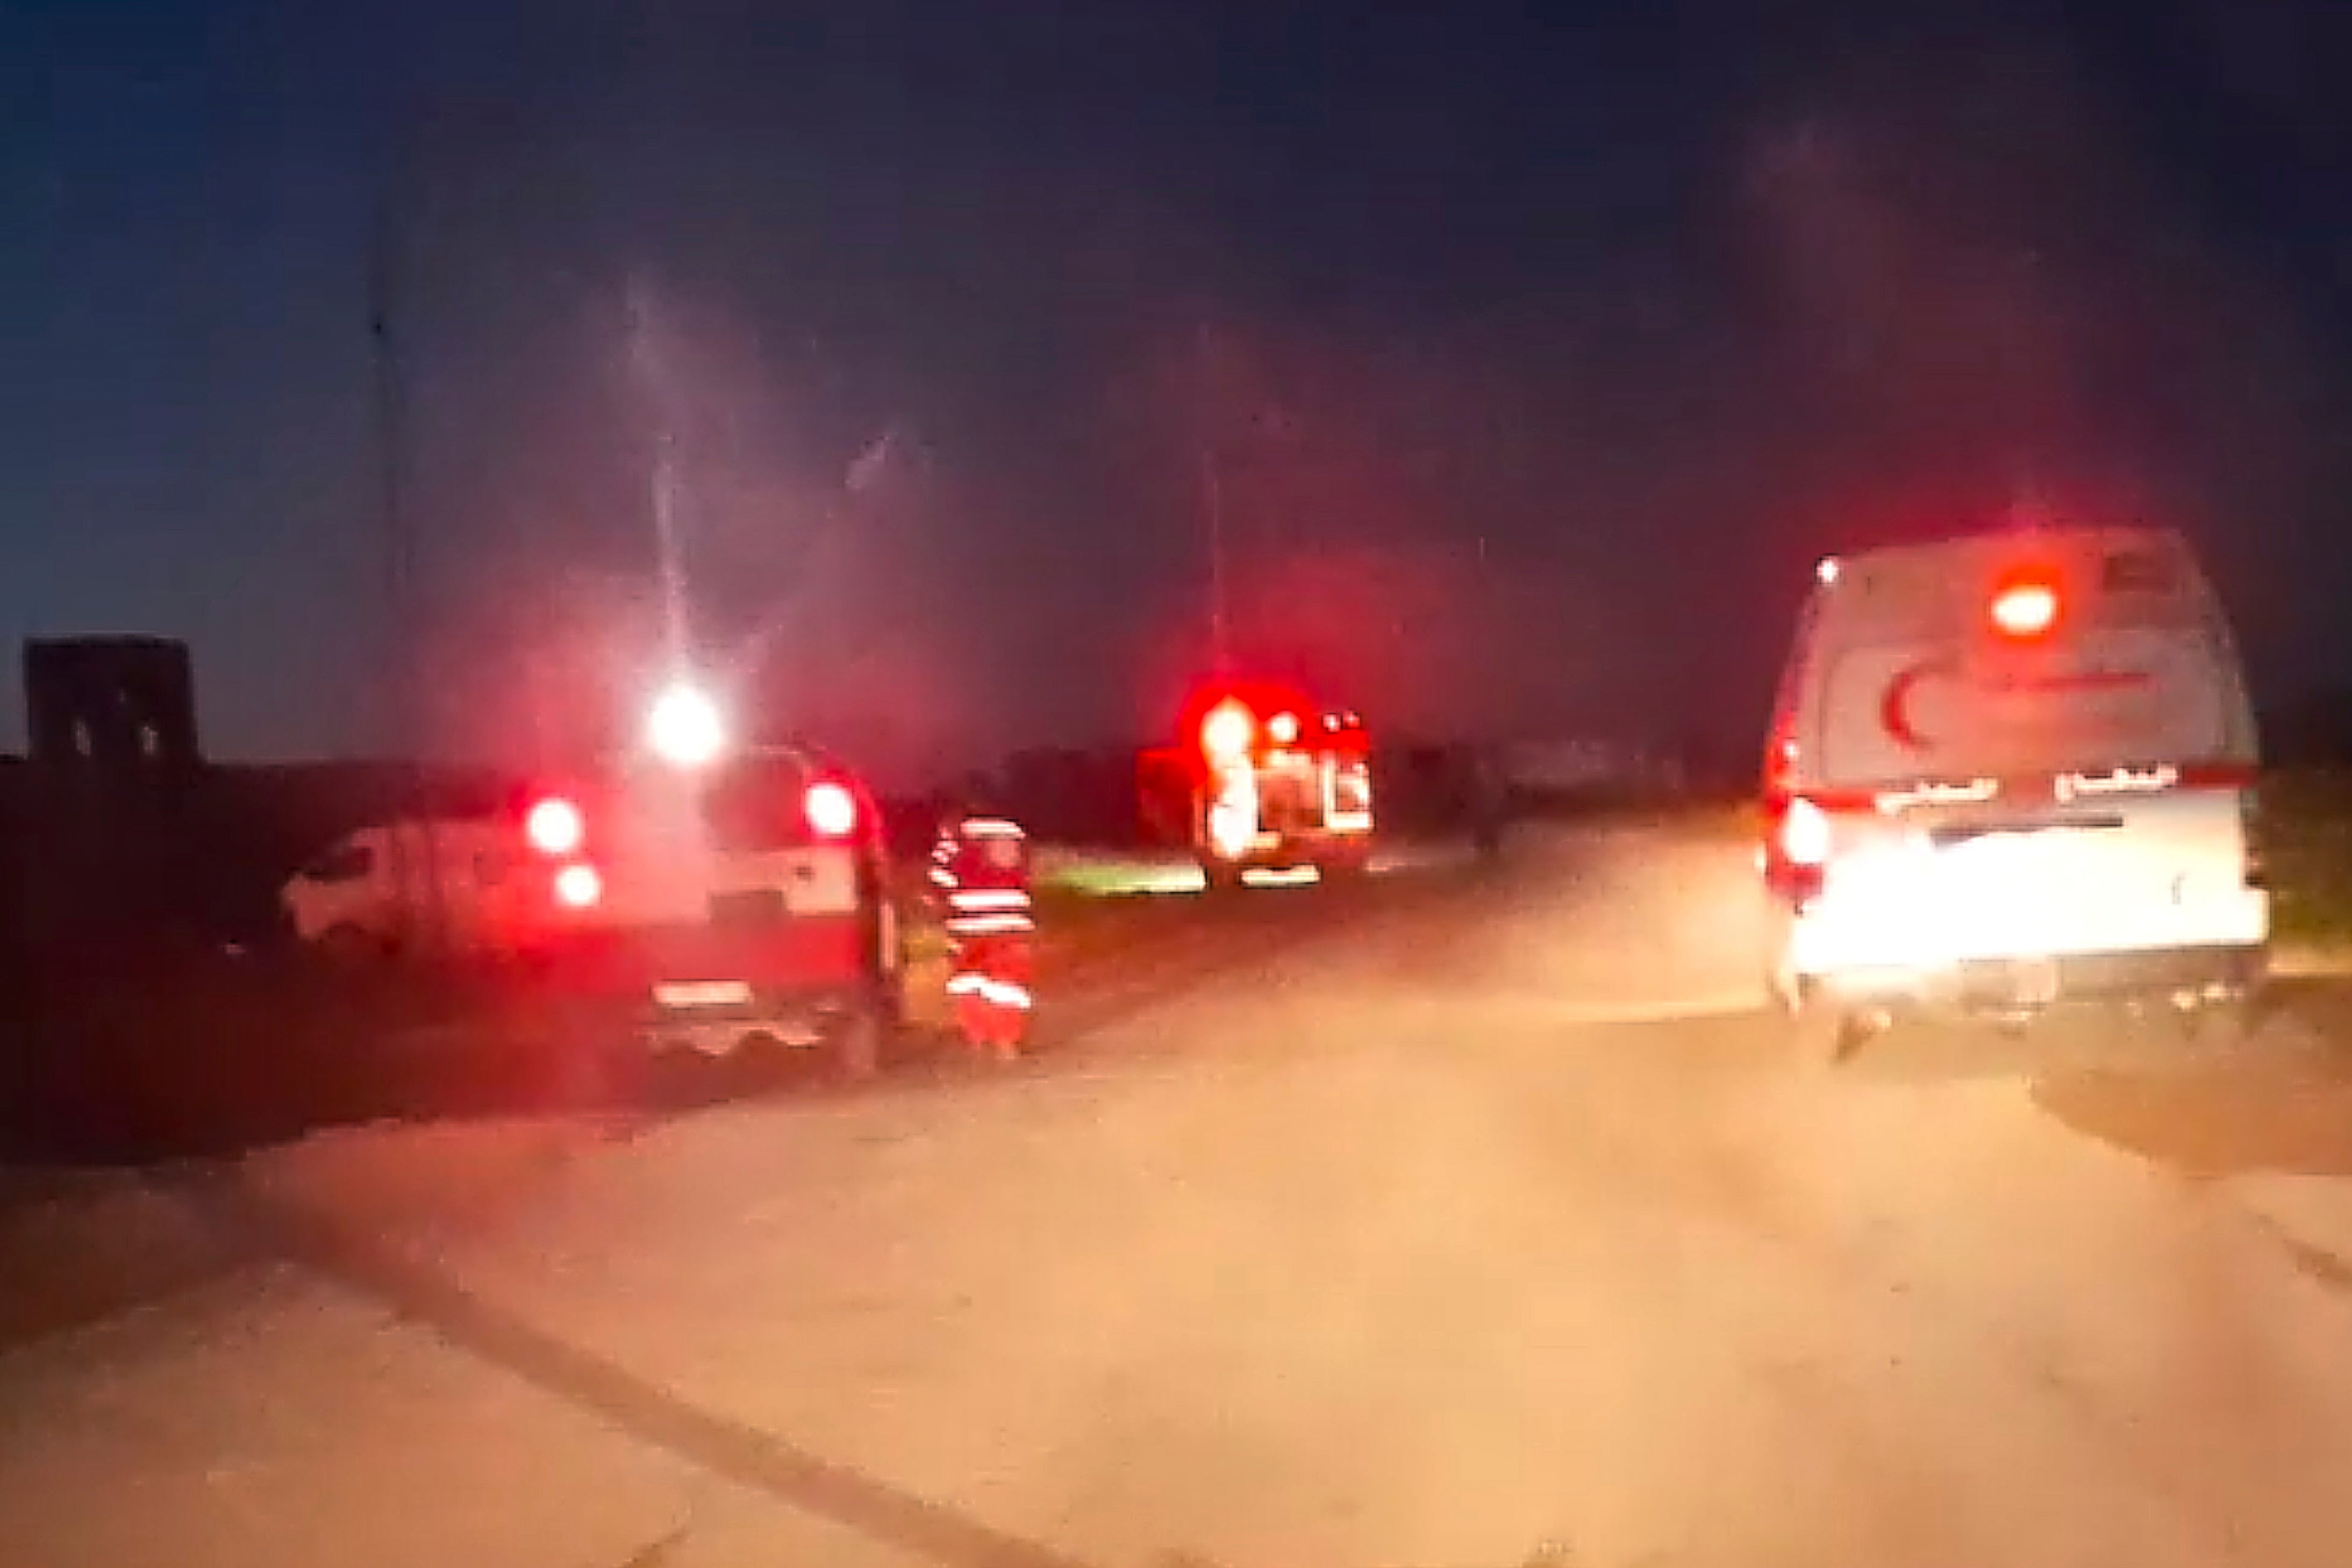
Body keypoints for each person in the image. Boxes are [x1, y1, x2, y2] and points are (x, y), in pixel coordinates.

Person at [928, 801, 1036, 1058]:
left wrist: (940, 905)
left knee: (970, 982)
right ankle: (1006, 1042)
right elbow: (1027, 874)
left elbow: (940, 879)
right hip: (1011, 924)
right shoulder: (1014, 833)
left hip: (968, 926)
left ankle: (977, 1037)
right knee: (1008, 985)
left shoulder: (955, 837)